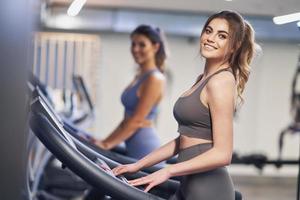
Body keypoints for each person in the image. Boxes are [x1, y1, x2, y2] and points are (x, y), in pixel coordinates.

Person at [112, 10, 257, 200]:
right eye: (208, 31)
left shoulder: (221, 81)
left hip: (209, 189)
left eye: (222, 36)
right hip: (188, 184)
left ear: (234, 47)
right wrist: (137, 165)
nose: (211, 38)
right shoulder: (203, 79)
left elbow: (223, 154)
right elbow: (183, 141)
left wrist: (169, 171)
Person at [95, 25, 167, 160]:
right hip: (132, 144)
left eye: (142, 45)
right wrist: (104, 142)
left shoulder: (155, 78)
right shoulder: (139, 76)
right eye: (133, 44)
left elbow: (137, 121)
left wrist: (106, 144)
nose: (135, 49)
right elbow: (127, 121)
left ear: (155, 47)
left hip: (144, 148)